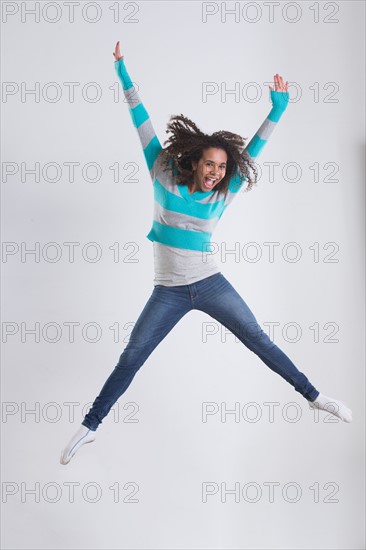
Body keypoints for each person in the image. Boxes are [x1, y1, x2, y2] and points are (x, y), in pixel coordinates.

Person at [60, 41, 352, 465]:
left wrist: (278, 110)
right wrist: (123, 73)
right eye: (210, 165)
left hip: (210, 284)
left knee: (258, 340)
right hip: (169, 291)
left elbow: (253, 152)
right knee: (132, 356)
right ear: (196, 161)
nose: (216, 173)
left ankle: (313, 395)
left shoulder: (226, 190)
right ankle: (89, 426)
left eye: (222, 167)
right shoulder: (161, 169)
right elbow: (139, 119)